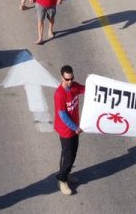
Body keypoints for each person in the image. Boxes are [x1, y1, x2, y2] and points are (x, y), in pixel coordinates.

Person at [53, 65, 85, 195]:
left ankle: (66, 173)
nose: (70, 81)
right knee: (68, 155)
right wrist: (75, 127)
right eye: (67, 79)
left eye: (71, 78)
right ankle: (62, 179)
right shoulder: (59, 94)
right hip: (66, 130)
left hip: (74, 129)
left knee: (72, 153)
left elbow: (87, 90)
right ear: (62, 77)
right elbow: (63, 115)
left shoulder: (75, 86)